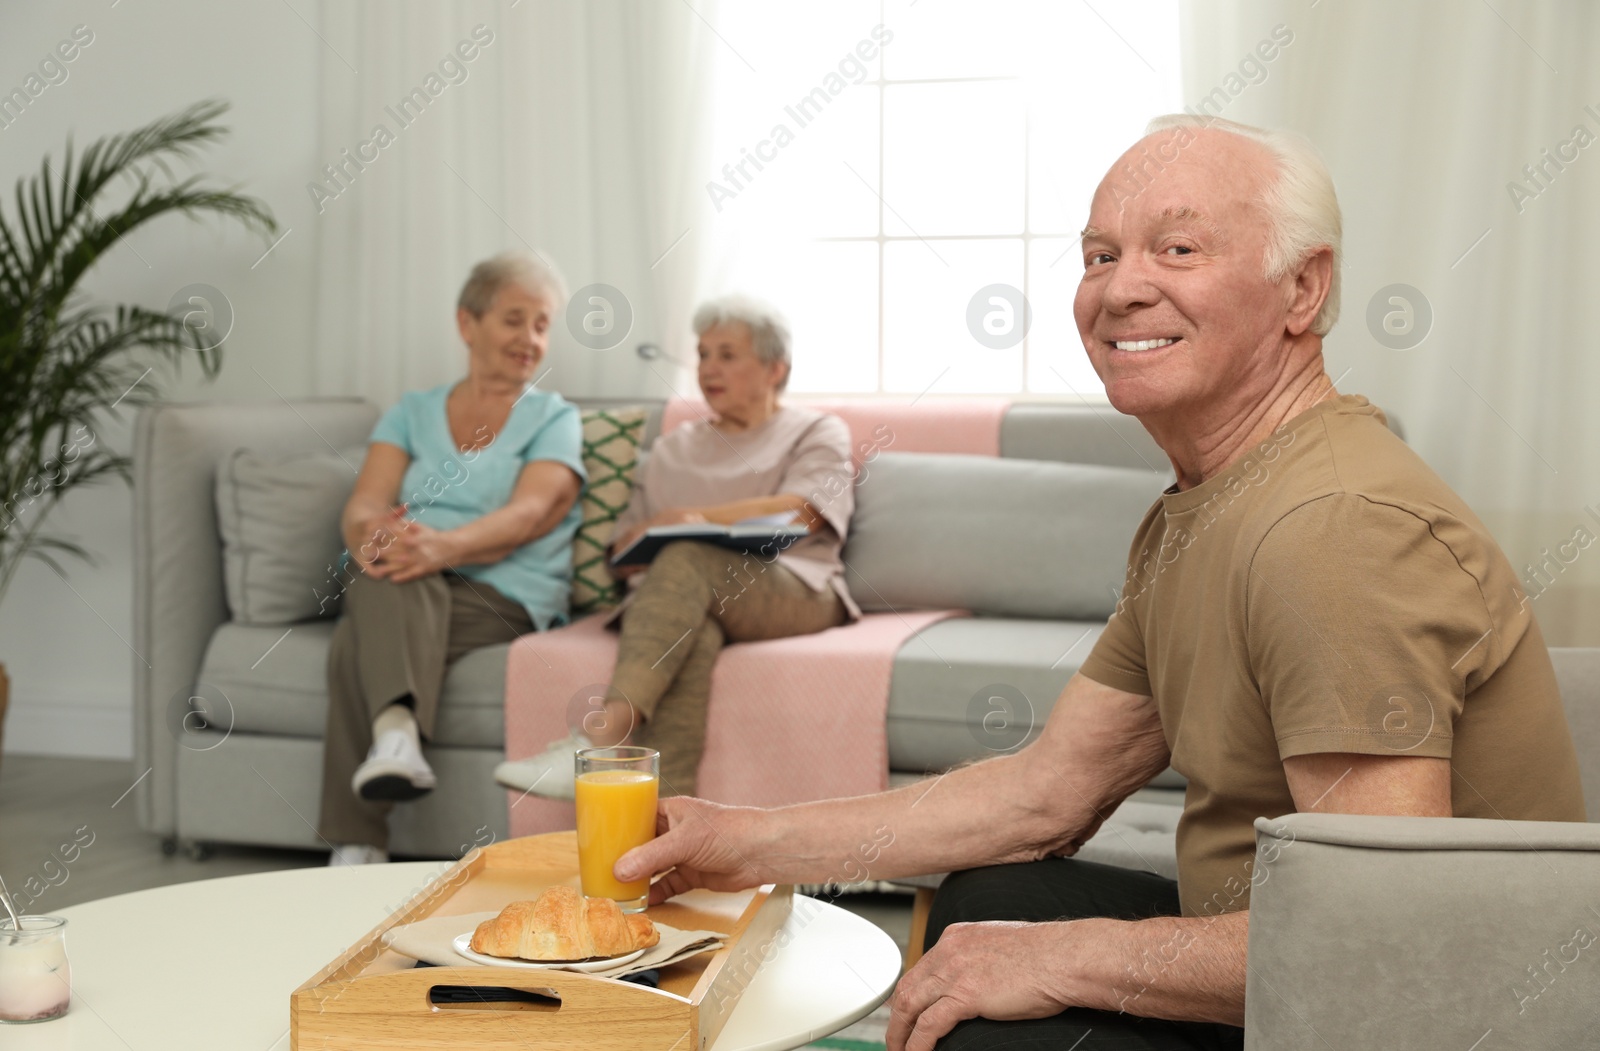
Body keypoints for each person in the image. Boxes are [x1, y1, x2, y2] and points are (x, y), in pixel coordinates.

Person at [606, 116, 1587, 1050]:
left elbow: (1381, 933)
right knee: (988, 902)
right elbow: (1046, 793)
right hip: (1280, 943)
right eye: (1098, 254)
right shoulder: (1199, 506)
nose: (1119, 289)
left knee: (1006, 981)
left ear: (1301, 289)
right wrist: (745, 839)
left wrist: (1068, 955)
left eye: (1178, 249)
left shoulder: (1332, 529)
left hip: (1422, 1008)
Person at [494, 295, 859, 799]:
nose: (709, 368)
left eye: (727, 355)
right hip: (688, 601)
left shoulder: (816, 429)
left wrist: (694, 520)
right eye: (704, 354)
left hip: (794, 591)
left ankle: (598, 743)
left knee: (685, 557)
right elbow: (621, 547)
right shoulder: (673, 446)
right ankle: (667, 839)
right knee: (694, 631)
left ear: (776, 368)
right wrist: (644, 541)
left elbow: (805, 509)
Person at [317, 251, 586, 867]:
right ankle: (393, 745)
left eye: (542, 325)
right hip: (405, 575)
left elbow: (528, 516)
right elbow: (364, 505)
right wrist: (372, 537)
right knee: (379, 569)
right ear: (469, 324)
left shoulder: (554, 418)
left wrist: (441, 547)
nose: (530, 339)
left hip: (503, 593)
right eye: (514, 320)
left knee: (357, 637)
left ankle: (360, 836)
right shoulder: (411, 411)